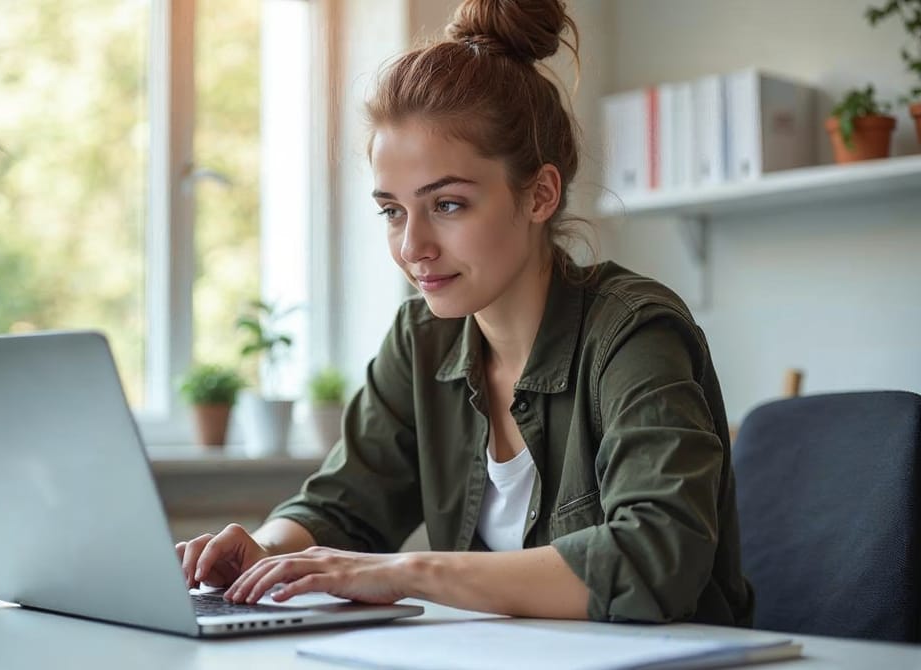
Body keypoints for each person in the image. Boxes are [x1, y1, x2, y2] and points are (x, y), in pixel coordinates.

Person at [176, 0, 754, 625]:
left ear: (540, 194)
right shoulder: (422, 340)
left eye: (447, 204)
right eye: (392, 211)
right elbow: (343, 506)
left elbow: (656, 557)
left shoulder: (634, 333)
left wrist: (409, 573)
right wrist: (265, 550)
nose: (412, 247)